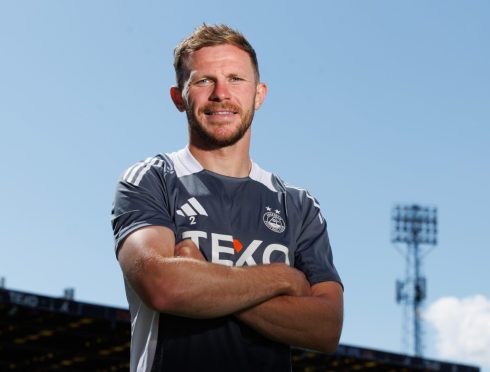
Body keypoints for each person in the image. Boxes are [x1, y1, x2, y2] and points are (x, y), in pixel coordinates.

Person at [111, 24, 343, 372]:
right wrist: (281, 279)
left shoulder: (298, 206)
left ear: (259, 94)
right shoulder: (151, 179)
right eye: (204, 81)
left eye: (236, 78)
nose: (221, 93)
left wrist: (203, 276)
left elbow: (325, 327)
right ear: (179, 98)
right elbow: (162, 286)